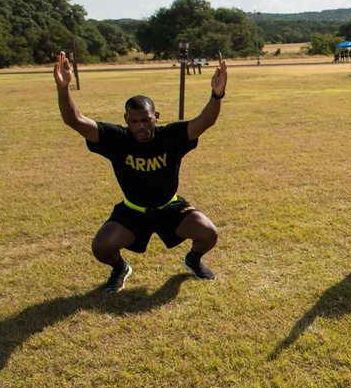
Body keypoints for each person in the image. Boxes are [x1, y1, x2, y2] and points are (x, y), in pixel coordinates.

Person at [54, 50, 228, 293]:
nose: (141, 127)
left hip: (170, 207)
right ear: (126, 119)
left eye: (146, 120)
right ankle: (120, 268)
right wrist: (64, 88)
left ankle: (193, 261)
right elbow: (74, 119)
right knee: (101, 246)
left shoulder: (171, 136)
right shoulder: (116, 138)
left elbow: (205, 121)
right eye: (134, 121)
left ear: (156, 117)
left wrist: (216, 95)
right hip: (133, 211)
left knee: (209, 233)